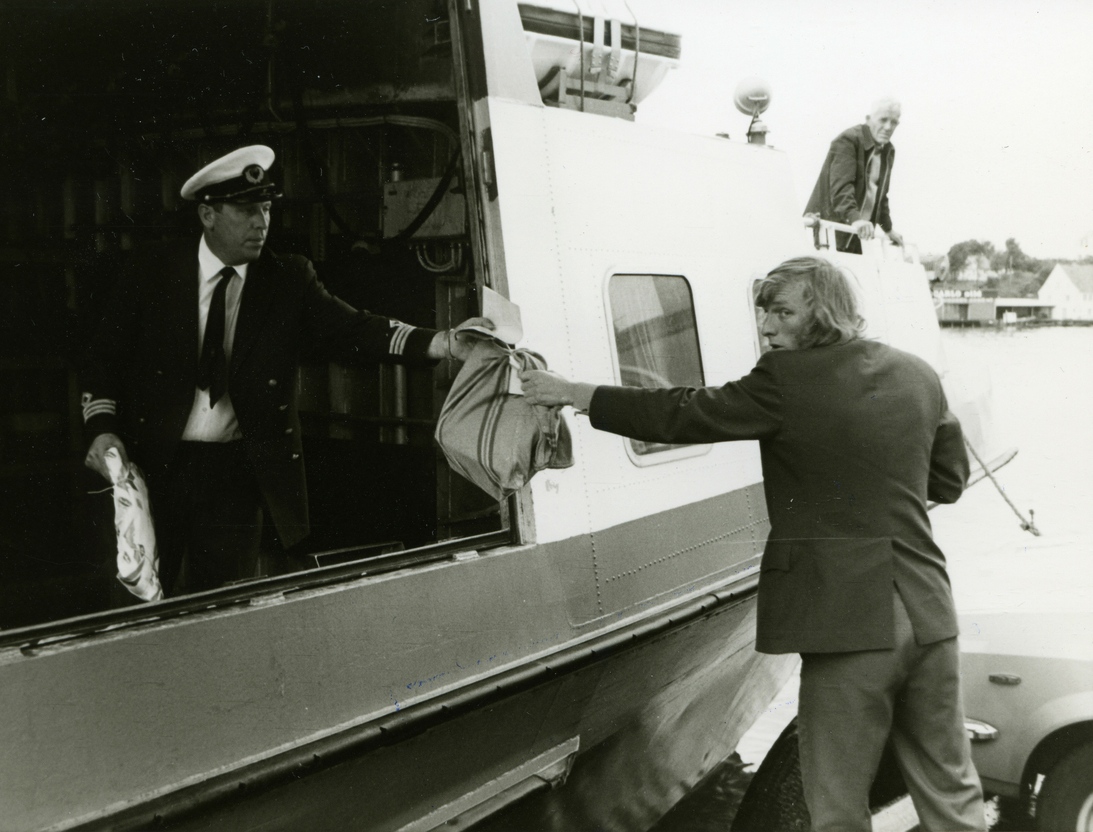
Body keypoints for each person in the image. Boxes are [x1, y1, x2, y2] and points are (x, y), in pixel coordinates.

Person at [520, 256, 986, 832]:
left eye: (782, 312)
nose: (766, 328)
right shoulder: (918, 374)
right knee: (952, 788)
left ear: (822, 312)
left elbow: (682, 415)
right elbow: (948, 482)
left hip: (848, 623)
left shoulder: (785, 380)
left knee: (835, 803)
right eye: (763, 312)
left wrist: (575, 392)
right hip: (930, 613)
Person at [82, 145, 489, 595]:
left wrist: (445, 342)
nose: (261, 222)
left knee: (224, 605)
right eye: (246, 210)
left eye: (266, 208)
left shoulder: (288, 279)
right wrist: (102, 428)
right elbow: (103, 360)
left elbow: (356, 330)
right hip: (155, 465)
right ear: (208, 214)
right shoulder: (151, 272)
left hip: (234, 475)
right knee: (129, 601)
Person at [805, 97, 905, 254]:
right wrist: (855, 219)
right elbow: (841, 189)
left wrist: (888, 228)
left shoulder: (888, 151)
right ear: (868, 120)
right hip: (831, 232)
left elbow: (880, 196)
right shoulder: (848, 140)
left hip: (859, 234)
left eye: (894, 122)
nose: (888, 127)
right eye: (883, 120)